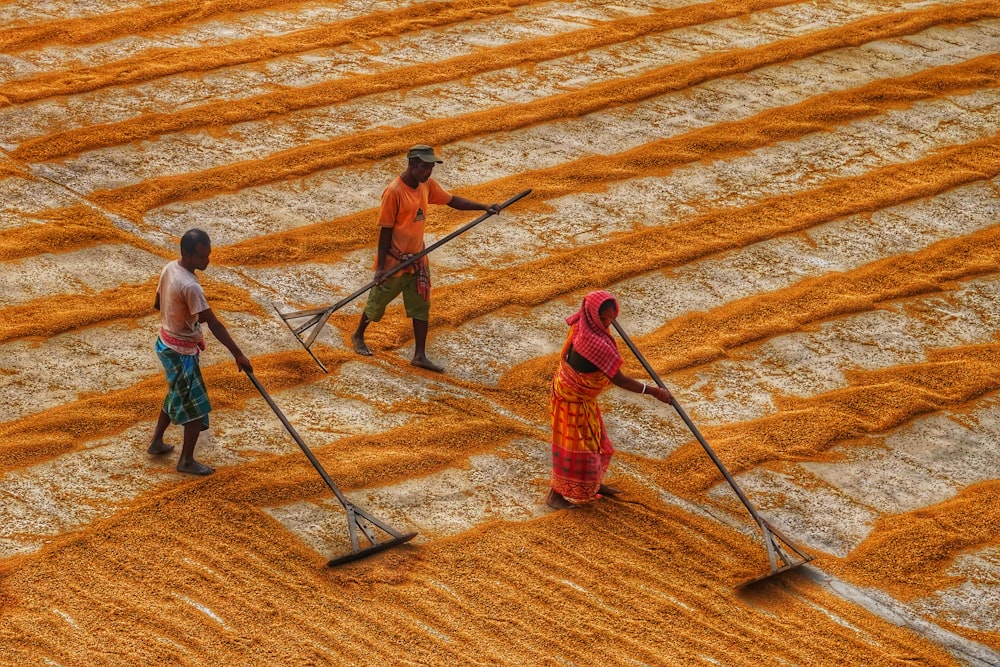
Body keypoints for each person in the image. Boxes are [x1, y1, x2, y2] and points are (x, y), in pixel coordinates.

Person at [352, 144, 501, 373]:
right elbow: (385, 231)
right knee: (377, 301)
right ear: (412, 165)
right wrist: (381, 268)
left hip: (418, 259)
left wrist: (483, 207)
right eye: (425, 167)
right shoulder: (394, 193)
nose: (429, 172)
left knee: (421, 306)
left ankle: (419, 355)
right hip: (396, 260)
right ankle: (359, 335)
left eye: (431, 168)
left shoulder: (426, 185)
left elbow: (451, 200)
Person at [546, 291, 672, 509]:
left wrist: (606, 320)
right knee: (575, 450)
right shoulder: (594, 344)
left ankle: (593, 485)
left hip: (581, 398)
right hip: (571, 399)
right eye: (604, 319)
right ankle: (555, 495)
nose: (608, 323)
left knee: (597, 445)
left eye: (612, 318)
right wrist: (654, 392)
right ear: (592, 316)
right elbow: (620, 379)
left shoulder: (583, 323)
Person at [147, 228, 253, 475]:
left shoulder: (170, 268)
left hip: (165, 341)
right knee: (197, 408)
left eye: (209, 255)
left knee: (175, 394)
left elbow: (157, 303)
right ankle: (186, 461)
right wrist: (238, 353)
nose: (207, 261)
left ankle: (156, 443)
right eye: (202, 257)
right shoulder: (191, 286)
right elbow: (214, 323)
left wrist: (179, 316)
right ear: (188, 254)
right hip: (181, 351)